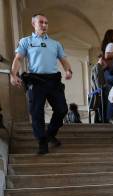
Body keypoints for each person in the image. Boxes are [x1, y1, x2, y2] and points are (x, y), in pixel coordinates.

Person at [10, 13, 72, 154]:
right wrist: (13, 74)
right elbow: (18, 58)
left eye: (46, 23)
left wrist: (68, 70)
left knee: (62, 109)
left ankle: (50, 134)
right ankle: (42, 141)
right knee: (36, 112)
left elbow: (63, 59)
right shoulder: (26, 41)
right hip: (36, 81)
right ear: (34, 24)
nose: (44, 25)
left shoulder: (55, 44)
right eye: (41, 22)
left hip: (53, 80)